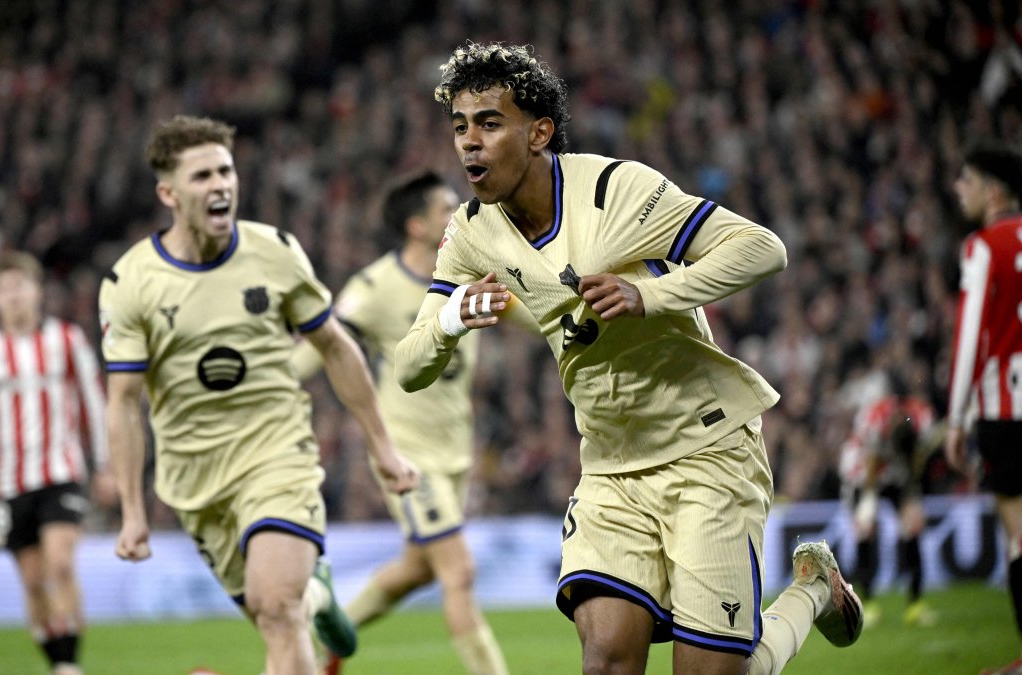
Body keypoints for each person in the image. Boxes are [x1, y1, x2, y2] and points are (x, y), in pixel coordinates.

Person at [395, 42, 863, 675]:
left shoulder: (616, 190)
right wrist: (451, 320)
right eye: (459, 127)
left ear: (540, 133)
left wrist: (651, 293)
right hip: (611, 467)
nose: (469, 142)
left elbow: (761, 248)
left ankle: (812, 592)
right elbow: (409, 368)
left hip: (706, 451)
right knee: (607, 663)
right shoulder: (471, 231)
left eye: (489, 122)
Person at [99, 115, 418, 675]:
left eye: (226, 171)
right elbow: (123, 402)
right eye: (202, 176)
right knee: (280, 621)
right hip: (194, 480)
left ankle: (304, 597)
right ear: (168, 193)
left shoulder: (275, 252)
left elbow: (337, 348)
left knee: (275, 608)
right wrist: (131, 510)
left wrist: (382, 447)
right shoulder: (132, 282)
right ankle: (318, 596)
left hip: (276, 453)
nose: (220, 184)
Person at [291, 171, 509, 675]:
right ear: (415, 226)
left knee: (416, 571)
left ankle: (328, 623)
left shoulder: (468, 270)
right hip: (409, 455)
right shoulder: (375, 285)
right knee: (459, 572)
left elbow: (525, 309)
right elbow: (326, 344)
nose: (457, 217)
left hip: (456, 451)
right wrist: (275, 382)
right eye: (444, 211)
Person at [0, 251, 114, 675]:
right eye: (4, 289)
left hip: (61, 471)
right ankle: (57, 661)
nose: (13, 296)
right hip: (6, 481)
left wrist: (105, 464)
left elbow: (94, 404)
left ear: (38, 291)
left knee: (61, 562)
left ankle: (70, 665)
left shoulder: (67, 340)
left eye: (20, 286)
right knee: (31, 579)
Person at [944, 140, 1022, 675]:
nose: (958, 188)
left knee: (1019, 535)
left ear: (994, 191)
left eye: (967, 179)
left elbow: (970, 338)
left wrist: (957, 419)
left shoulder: (984, 246)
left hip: (1005, 411)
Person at [838, 371, 941, 628]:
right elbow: (870, 461)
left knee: (912, 527)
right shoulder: (873, 420)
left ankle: (915, 604)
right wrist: (868, 500)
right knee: (865, 529)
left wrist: (911, 491)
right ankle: (867, 603)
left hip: (900, 471)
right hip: (864, 472)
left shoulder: (923, 417)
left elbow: (919, 457)